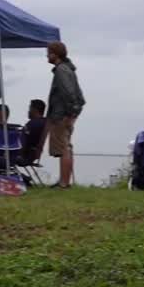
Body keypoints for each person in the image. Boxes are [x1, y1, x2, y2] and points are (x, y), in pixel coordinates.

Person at [45, 42, 84, 188]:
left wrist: (70, 114)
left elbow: (69, 93)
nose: (47, 56)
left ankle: (64, 183)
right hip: (66, 114)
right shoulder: (68, 70)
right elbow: (78, 96)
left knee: (63, 148)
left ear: (56, 53)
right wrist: (75, 113)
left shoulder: (61, 70)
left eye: (49, 52)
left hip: (61, 115)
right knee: (66, 147)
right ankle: (64, 180)